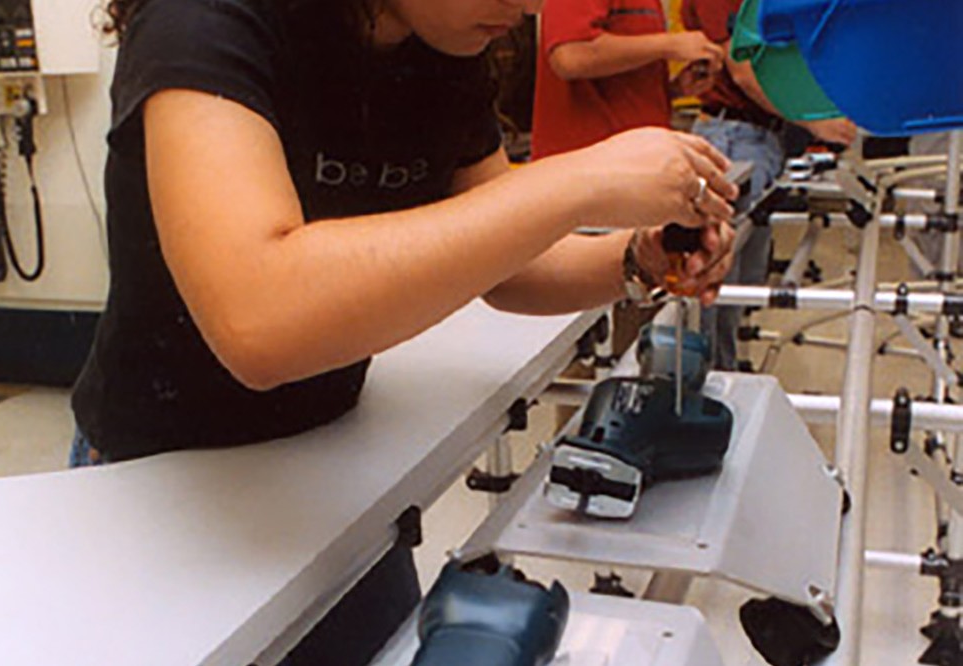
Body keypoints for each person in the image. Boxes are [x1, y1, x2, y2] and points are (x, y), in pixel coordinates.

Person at [72, 0, 738, 663]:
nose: (530, 5)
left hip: (333, 472)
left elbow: (508, 259)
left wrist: (637, 258)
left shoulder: (440, 43)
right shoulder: (202, 20)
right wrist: (580, 181)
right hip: (166, 492)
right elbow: (259, 320)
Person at [681, 0, 856, 370]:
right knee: (717, 283)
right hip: (733, 137)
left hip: (760, 137)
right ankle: (709, 383)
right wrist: (811, 122)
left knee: (738, 285)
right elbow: (742, 68)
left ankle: (724, 377)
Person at [532, 0, 726, 159]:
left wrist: (672, 89)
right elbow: (570, 56)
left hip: (636, 162)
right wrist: (669, 45)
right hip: (588, 168)